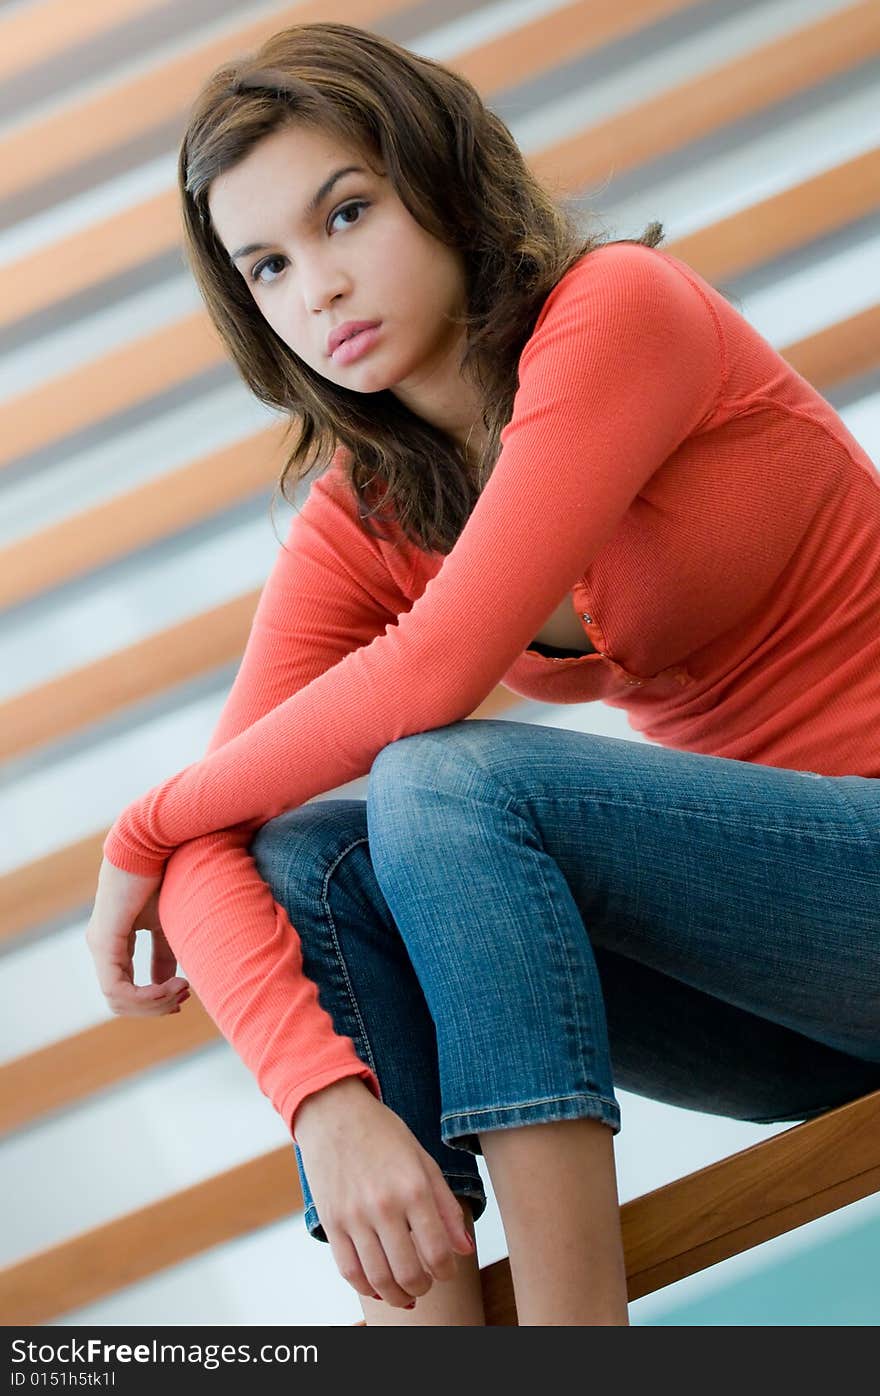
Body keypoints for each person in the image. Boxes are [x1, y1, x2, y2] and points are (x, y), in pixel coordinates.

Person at [85, 21, 880, 1327]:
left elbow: (439, 671)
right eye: (268, 265)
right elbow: (212, 852)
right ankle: (431, 1334)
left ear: (443, 180)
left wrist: (145, 815)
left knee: (446, 782)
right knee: (316, 864)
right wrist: (326, 1107)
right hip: (787, 1004)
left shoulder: (620, 311)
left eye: (348, 214)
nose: (318, 289)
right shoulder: (368, 516)